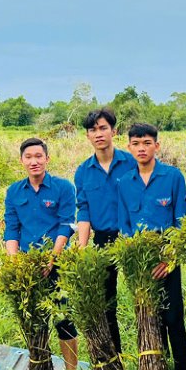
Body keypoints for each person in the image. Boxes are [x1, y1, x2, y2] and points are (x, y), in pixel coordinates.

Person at [117, 123, 186, 370]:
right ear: (129, 148)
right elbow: (124, 224)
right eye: (136, 144)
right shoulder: (124, 182)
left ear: (156, 146)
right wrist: (134, 260)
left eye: (147, 143)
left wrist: (170, 259)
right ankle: (159, 368)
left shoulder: (172, 177)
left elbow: (181, 221)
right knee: (150, 316)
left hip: (167, 257)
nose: (141, 148)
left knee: (173, 315)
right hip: (139, 260)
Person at [3, 137, 79, 370]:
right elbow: (11, 229)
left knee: (63, 319)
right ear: (21, 161)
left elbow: (66, 225)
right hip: (27, 266)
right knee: (34, 321)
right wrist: (15, 262)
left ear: (47, 159)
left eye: (38, 156)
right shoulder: (14, 191)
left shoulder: (63, 188)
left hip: (56, 264)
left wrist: (52, 259)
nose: (34, 161)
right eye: (29, 157)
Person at [74, 108, 136, 355]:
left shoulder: (131, 162)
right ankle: (114, 356)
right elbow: (84, 210)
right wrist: (81, 246)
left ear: (114, 131)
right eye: (93, 130)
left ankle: (150, 357)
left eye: (103, 128)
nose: (98, 134)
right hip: (102, 239)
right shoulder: (83, 171)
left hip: (132, 237)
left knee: (142, 296)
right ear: (88, 136)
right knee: (106, 300)